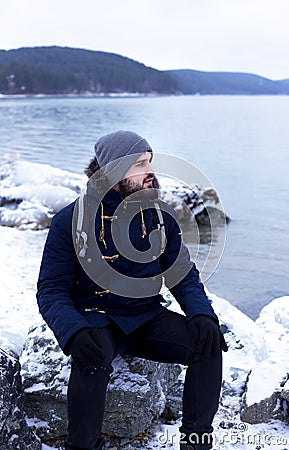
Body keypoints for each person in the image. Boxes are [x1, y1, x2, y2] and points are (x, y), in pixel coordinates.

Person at [37, 130, 227, 450]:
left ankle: (196, 441)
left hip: (145, 315)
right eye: (140, 164)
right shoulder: (70, 219)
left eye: (150, 161)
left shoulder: (159, 216)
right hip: (96, 319)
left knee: (208, 344)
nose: (150, 171)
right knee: (91, 361)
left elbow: (182, 274)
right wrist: (73, 332)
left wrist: (201, 313)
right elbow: (50, 289)